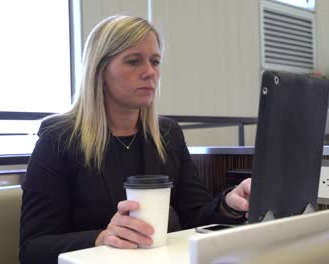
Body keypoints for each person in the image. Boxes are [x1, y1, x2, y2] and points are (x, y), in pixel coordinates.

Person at [19, 15, 251, 264]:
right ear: (99, 71)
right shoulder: (59, 139)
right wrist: (100, 238)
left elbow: (194, 216)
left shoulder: (167, 135)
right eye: (133, 61)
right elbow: (33, 248)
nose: (150, 73)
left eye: (155, 61)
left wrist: (229, 203)